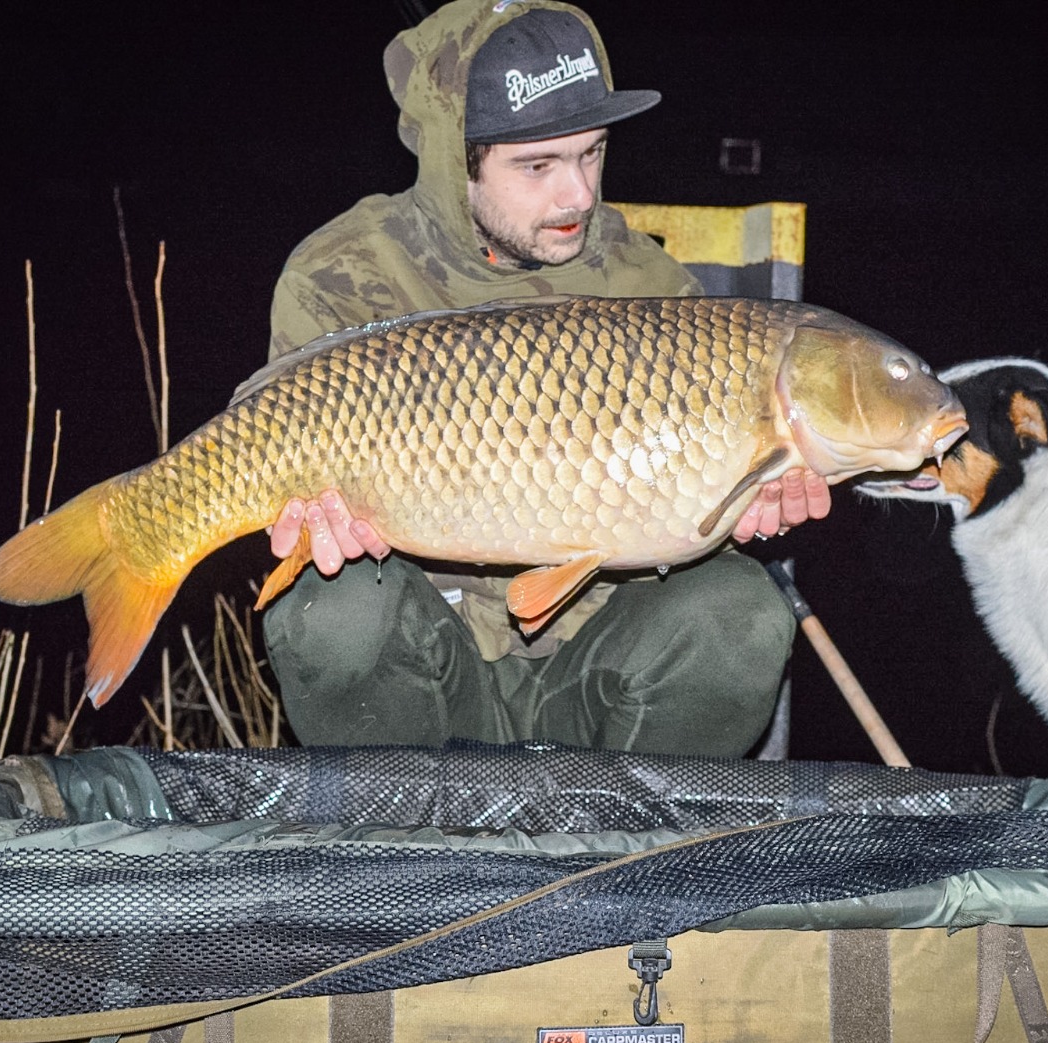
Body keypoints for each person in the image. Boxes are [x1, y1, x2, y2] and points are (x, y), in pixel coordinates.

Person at [249, 0, 830, 757]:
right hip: (425, 669)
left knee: (740, 612)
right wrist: (314, 523)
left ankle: (624, 860)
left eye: (591, 153)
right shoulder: (344, 276)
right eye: (538, 165)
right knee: (329, 605)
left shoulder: (653, 288)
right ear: (456, 162)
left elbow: (683, 526)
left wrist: (738, 512)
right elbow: (286, 486)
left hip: (593, 676)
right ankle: (400, 853)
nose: (579, 196)